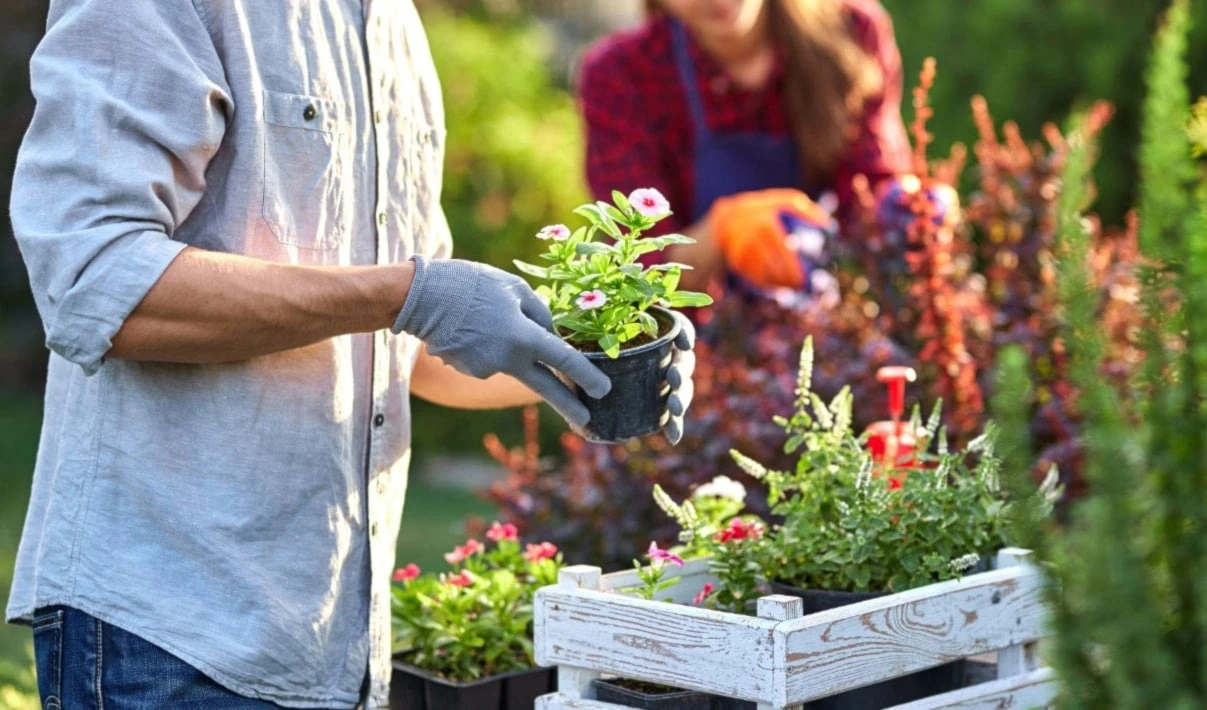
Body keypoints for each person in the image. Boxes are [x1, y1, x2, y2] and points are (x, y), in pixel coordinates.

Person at [6, 2, 695, 708]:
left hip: (331, 648)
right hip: (169, 635)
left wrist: (592, 370)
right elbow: (93, 276)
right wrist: (407, 295)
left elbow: (415, 350)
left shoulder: (392, 23)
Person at [578, 0, 912, 300]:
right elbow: (639, 267)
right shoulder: (619, 76)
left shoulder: (851, 31)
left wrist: (910, 211)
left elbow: (872, 192)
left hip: (831, 306)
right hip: (707, 339)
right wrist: (720, 232)